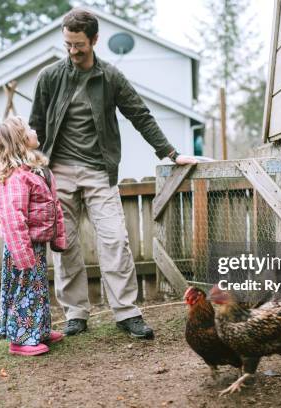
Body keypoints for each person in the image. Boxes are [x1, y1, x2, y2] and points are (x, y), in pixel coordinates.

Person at [29, 8, 197, 339]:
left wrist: (171, 152)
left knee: (115, 240)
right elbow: (35, 124)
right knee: (66, 246)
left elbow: (140, 115)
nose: (73, 51)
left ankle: (126, 312)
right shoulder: (50, 77)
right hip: (58, 172)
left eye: (79, 45)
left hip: (98, 172)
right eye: (68, 44)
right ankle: (76, 312)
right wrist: (30, 163)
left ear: (94, 40)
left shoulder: (110, 78)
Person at [0, 116, 67, 356]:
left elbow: (53, 204)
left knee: (37, 288)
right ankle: (20, 340)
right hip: (21, 245)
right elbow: (12, 218)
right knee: (24, 290)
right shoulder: (14, 177)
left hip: (35, 243)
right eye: (28, 129)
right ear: (20, 141)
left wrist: (58, 237)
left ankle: (38, 331)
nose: (34, 130)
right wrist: (23, 254)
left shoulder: (32, 171)